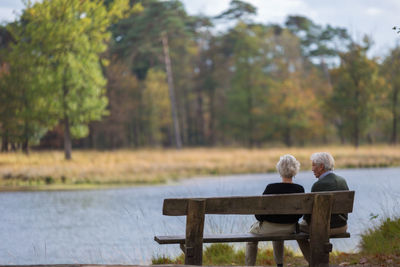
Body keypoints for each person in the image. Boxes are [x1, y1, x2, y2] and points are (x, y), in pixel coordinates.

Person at [245, 154, 305, 267]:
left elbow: (259, 214)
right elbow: (300, 213)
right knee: (278, 232)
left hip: (269, 229)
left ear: (279, 170)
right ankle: (279, 264)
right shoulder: (299, 189)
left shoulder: (271, 188)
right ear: (295, 170)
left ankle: (249, 265)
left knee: (251, 238)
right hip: (291, 228)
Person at [297, 152, 349, 263]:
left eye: (313, 165)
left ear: (321, 167)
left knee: (297, 231)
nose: (312, 169)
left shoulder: (318, 185)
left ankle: (314, 262)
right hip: (342, 226)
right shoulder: (342, 181)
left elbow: (308, 215)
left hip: (325, 228)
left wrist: (304, 221)